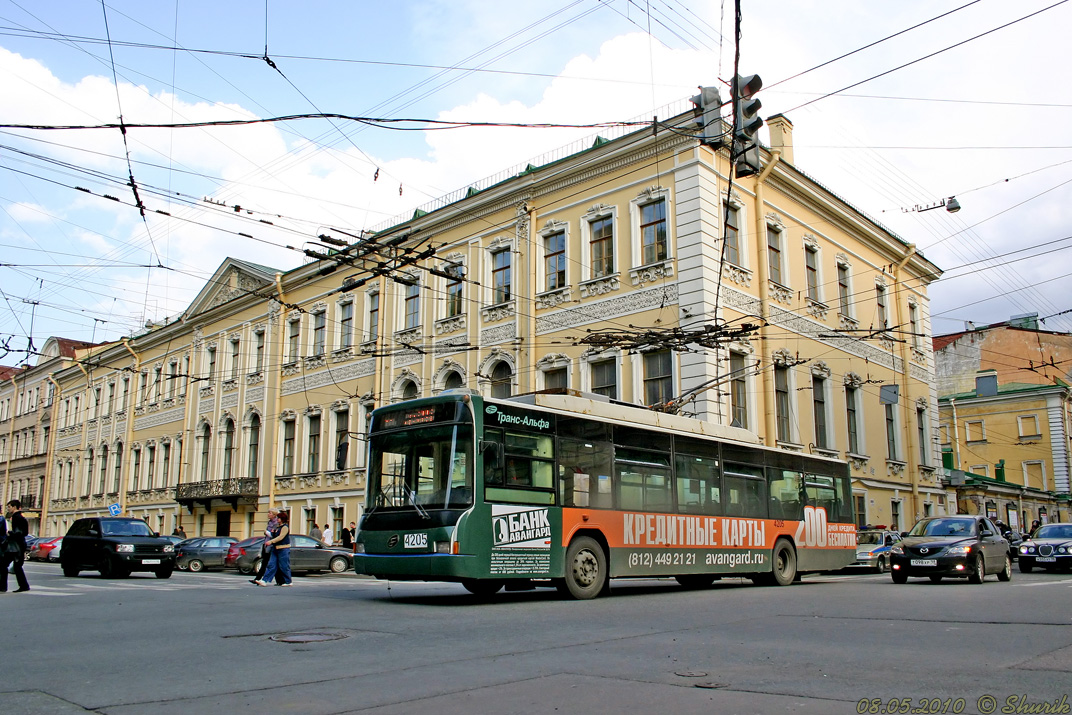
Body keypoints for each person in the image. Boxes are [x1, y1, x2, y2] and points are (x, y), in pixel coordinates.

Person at [256, 511, 292, 587]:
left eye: (278, 518)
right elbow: (273, 535)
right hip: (275, 549)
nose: (277, 519)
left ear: (282, 519)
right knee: (271, 565)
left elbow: (281, 537)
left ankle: (288, 581)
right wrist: (269, 533)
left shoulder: (285, 527)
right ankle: (264, 580)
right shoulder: (277, 527)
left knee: (284, 566)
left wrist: (271, 541)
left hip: (283, 549)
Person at [1, 499, 30, 593]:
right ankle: (23, 585)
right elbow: (24, 532)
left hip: (15, 546)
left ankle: (3, 586)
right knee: (16, 566)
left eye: (9, 507)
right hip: (18, 545)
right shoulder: (20, 517)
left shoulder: (17, 517)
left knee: (5, 565)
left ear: (14, 507)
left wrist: (9, 533)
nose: (8, 509)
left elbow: (20, 532)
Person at [251, 508, 285, 585]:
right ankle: (280, 581)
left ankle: (259, 579)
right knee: (267, 563)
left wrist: (266, 532)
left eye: (269, 513)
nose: (268, 514)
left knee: (269, 563)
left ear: (274, 514)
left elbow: (274, 535)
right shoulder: (269, 522)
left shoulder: (276, 523)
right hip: (266, 544)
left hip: (272, 545)